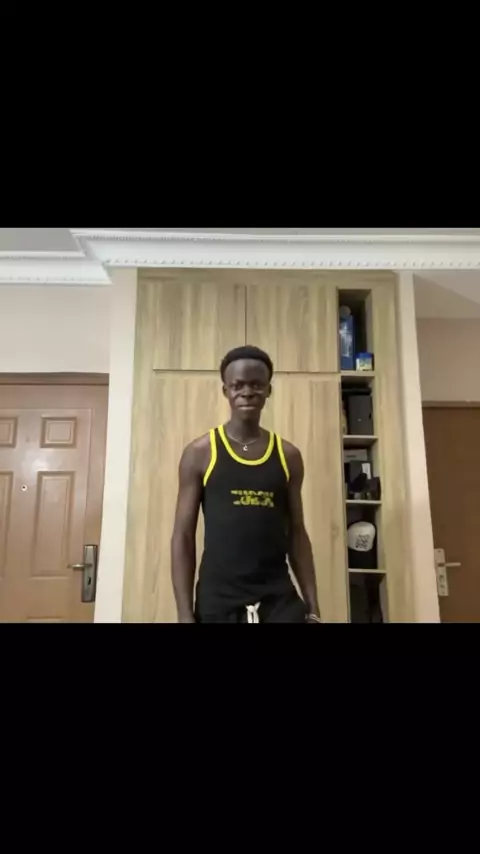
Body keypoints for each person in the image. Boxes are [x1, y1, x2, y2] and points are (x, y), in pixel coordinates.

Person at [171, 345, 322, 624]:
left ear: (268, 390)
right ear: (225, 390)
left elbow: (297, 532)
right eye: (237, 385)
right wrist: (184, 614)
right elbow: (182, 536)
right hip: (218, 601)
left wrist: (313, 607)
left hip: (278, 600)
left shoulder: (288, 456)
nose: (247, 392)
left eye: (256, 384)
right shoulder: (200, 453)